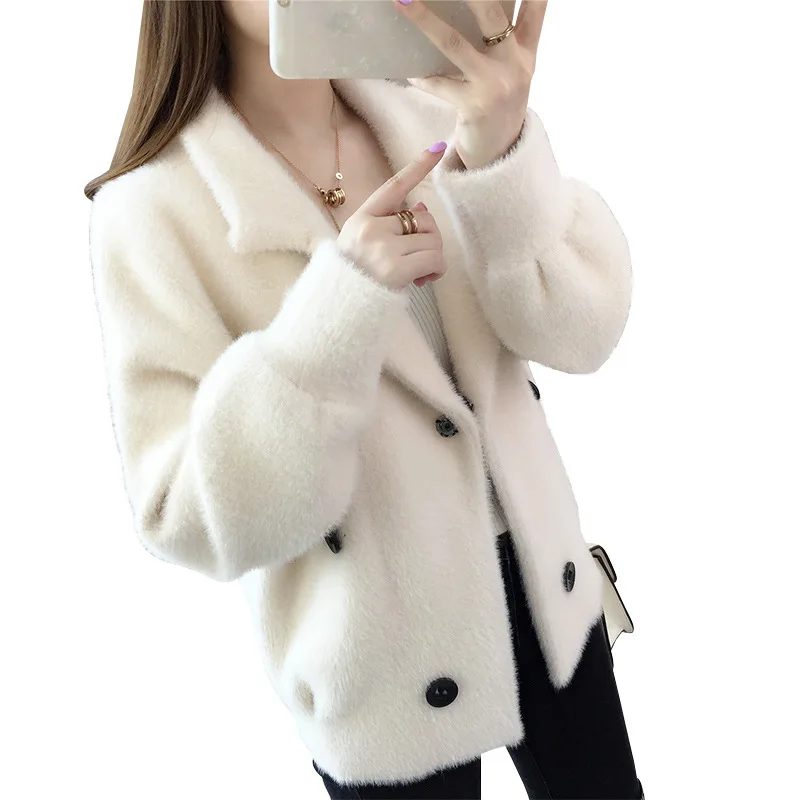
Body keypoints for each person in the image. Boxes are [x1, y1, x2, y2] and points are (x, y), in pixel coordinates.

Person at [84, 1, 643, 798]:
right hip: (381, 660)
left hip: (548, 593)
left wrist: (506, 156)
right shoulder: (152, 208)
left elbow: (585, 337)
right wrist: (337, 306)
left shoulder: (439, 114)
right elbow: (182, 514)